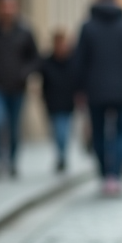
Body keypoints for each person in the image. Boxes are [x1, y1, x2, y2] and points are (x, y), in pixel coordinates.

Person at [73, 0, 122, 196]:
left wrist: (79, 88)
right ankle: (115, 176)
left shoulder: (87, 27)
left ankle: (105, 174)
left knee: (98, 133)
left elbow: (79, 61)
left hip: (95, 90)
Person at [0, 0, 39, 178]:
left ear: (16, 7)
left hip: (17, 87)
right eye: (4, 6)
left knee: (13, 126)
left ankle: (12, 160)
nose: (7, 9)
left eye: (10, 6)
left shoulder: (25, 31)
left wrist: (25, 73)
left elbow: (35, 58)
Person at [40, 30, 79, 173]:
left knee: (64, 131)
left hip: (68, 102)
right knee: (56, 131)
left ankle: (62, 156)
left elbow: (78, 80)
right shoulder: (47, 62)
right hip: (52, 102)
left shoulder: (73, 61)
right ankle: (60, 155)